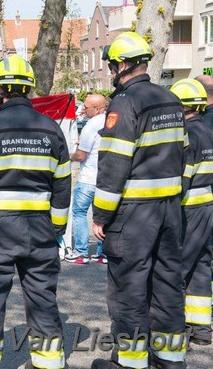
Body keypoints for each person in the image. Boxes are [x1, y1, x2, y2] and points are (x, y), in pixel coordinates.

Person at [0, 54, 71, 369]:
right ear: (30, 90)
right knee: (42, 298)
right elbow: (62, 186)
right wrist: (57, 229)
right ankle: (49, 362)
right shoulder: (52, 129)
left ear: (0, 90)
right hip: (40, 230)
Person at [91, 32, 187, 369]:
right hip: (170, 211)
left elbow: (114, 163)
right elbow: (183, 155)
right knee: (168, 284)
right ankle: (170, 359)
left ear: (121, 65)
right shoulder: (171, 99)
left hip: (134, 215)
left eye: (111, 65)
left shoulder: (125, 102)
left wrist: (101, 214)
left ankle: (129, 362)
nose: (111, 71)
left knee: (129, 288)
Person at [170, 79, 213, 346]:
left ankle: (174, 328)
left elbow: (181, 180)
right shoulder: (208, 130)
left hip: (190, 210)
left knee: (176, 269)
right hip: (209, 207)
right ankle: (202, 328)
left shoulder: (187, 136)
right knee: (201, 266)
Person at [64, 94, 108, 265]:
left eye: (86, 107)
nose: (83, 110)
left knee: (80, 213)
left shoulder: (92, 124)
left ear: (97, 109)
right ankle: (103, 252)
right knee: (102, 216)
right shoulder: (111, 122)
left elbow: (82, 155)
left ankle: (81, 252)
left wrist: (66, 156)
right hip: (106, 179)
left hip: (88, 178)